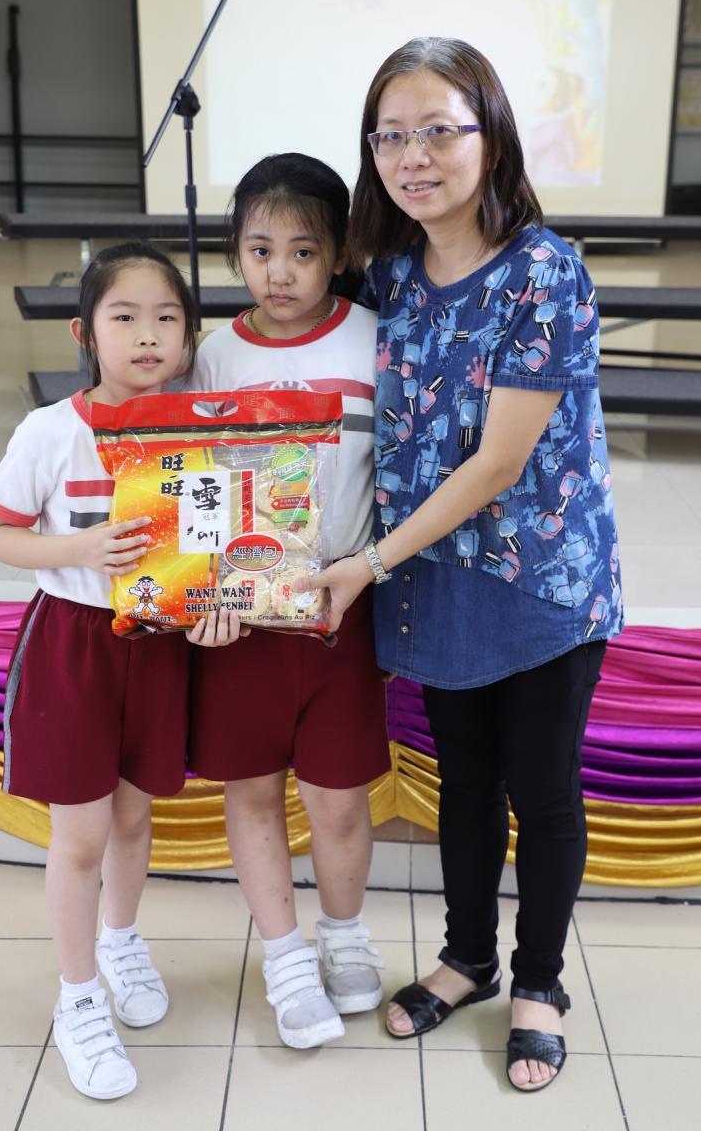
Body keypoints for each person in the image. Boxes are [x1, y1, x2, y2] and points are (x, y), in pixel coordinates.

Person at [299, 38, 623, 1092]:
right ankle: (468, 958)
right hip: (432, 575)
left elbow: (497, 463)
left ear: (491, 135)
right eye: (390, 136)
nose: (413, 156)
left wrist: (364, 561)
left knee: (542, 787)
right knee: (465, 784)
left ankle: (539, 983)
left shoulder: (543, 270)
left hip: (540, 580)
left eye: (439, 130)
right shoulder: (389, 274)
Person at [0, 241, 237, 1100]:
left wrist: (217, 607)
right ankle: (78, 996)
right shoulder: (49, 431)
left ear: (189, 336)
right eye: (124, 316)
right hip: (76, 644)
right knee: (82, 834)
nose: (148, 334)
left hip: (157, 645)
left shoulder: (198, 434)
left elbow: (212, 551)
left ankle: (121, 941)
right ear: (84, 332)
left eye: (167, 317)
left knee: (132, 819)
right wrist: (79, 549)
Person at [188, 153, 389, 1049]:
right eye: (259, 250)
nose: (279, 272)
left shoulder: (375, 338)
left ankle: (344, 937)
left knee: (339, 798)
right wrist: (201, 593)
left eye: (303, 252)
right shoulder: (214, 355)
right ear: (236, 252)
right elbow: (189, 483)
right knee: (253, 791)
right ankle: (283, 958)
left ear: (338, 253)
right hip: (242, 619)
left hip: (343, 608)